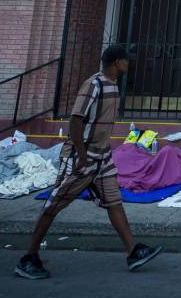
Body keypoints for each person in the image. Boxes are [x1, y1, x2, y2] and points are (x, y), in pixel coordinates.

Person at [16, 44, 163, 279]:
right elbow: (76, 121)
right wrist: (82, 156)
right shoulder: (93, 85)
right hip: (81, 157)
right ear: (117, 62)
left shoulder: (113, 84)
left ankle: (133, 250)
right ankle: (29, 258)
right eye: (127, 60)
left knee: (114, 202)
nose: (129, 64)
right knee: (54, 205)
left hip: (102, 157)